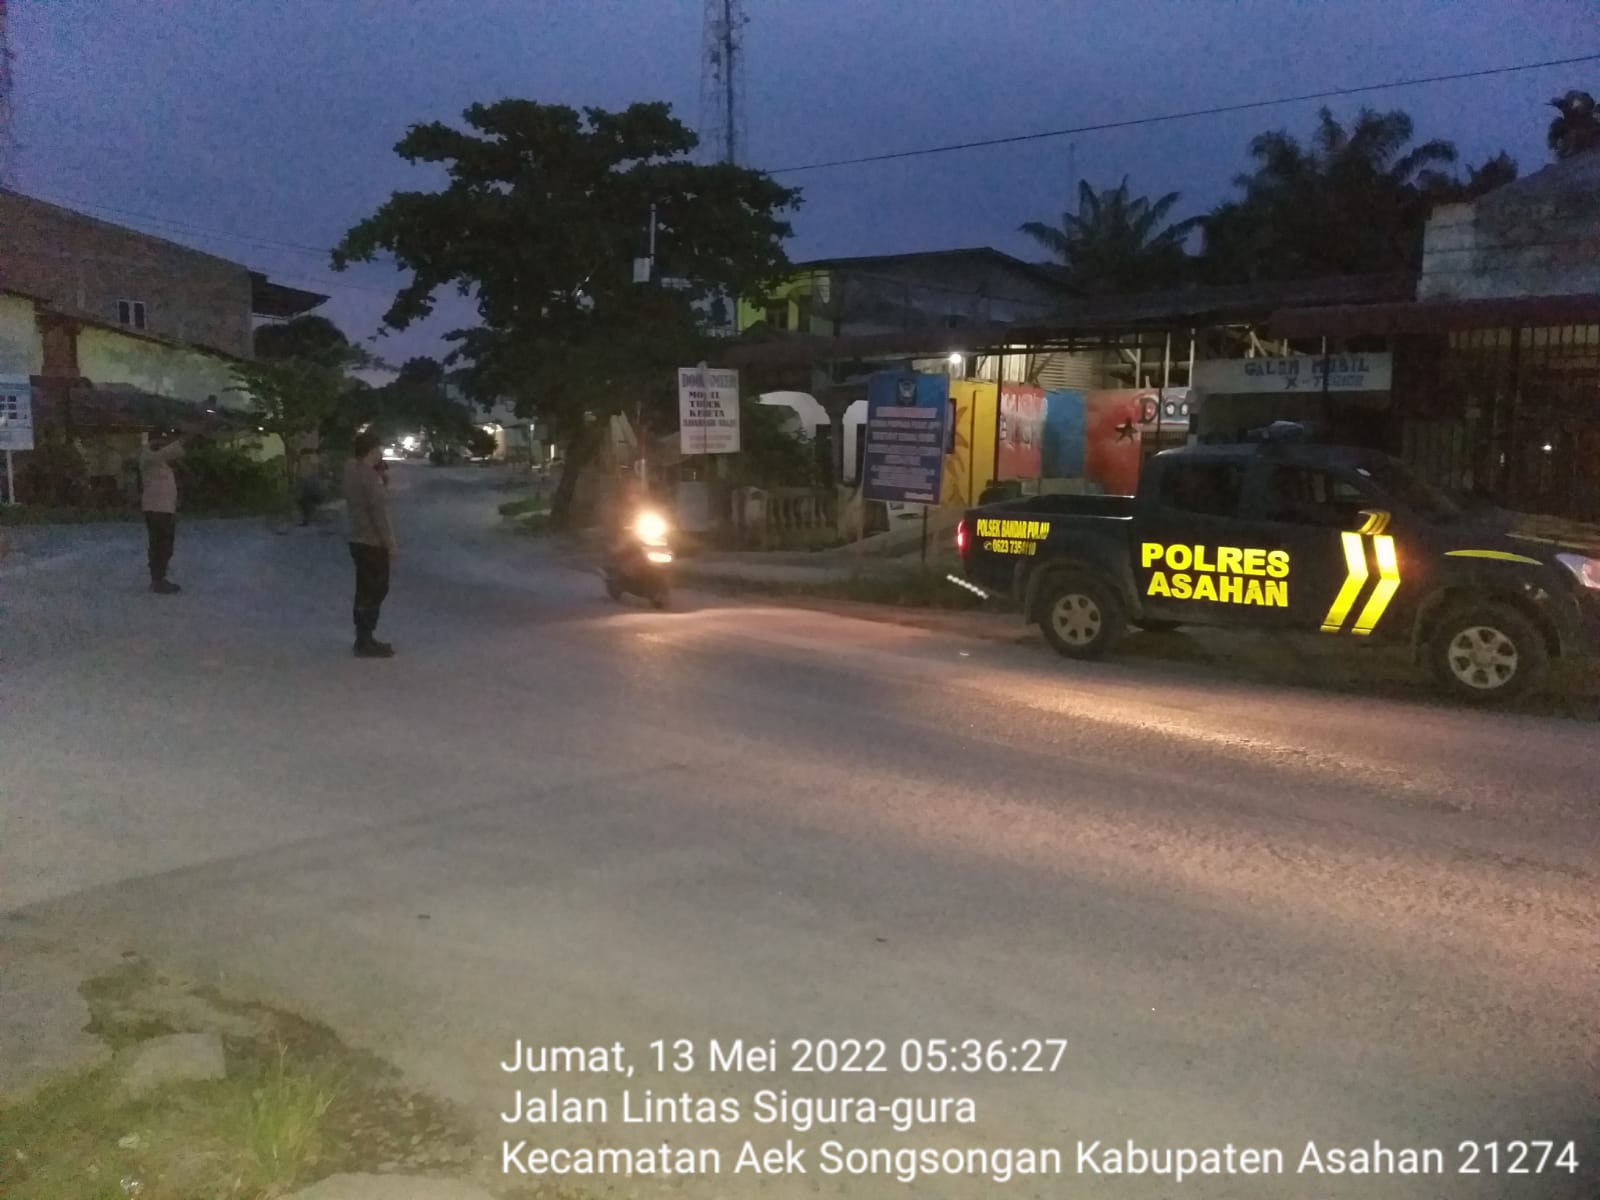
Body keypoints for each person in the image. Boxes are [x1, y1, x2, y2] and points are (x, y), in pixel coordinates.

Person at [343, 431, 397, 658]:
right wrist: (390, 543)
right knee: (375, 589)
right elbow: (379, 513)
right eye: (379, 448)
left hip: (357, 538)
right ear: (371, 450)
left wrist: (380, 478)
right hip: (371, 541)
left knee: (364, 589)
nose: (381, 452)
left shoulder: (352, 471)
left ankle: (363, 637)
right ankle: (366, 639)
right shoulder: (367, 477)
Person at [139, 427, 186, 594]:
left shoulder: (161, 462)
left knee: (165, 545)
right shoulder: (148, 456)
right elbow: (170, 451)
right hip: (155, 508)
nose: (162, 444)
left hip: (165, 509)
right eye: (160, 440)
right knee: (160, 544)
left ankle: (159, 577)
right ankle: (158, 579)